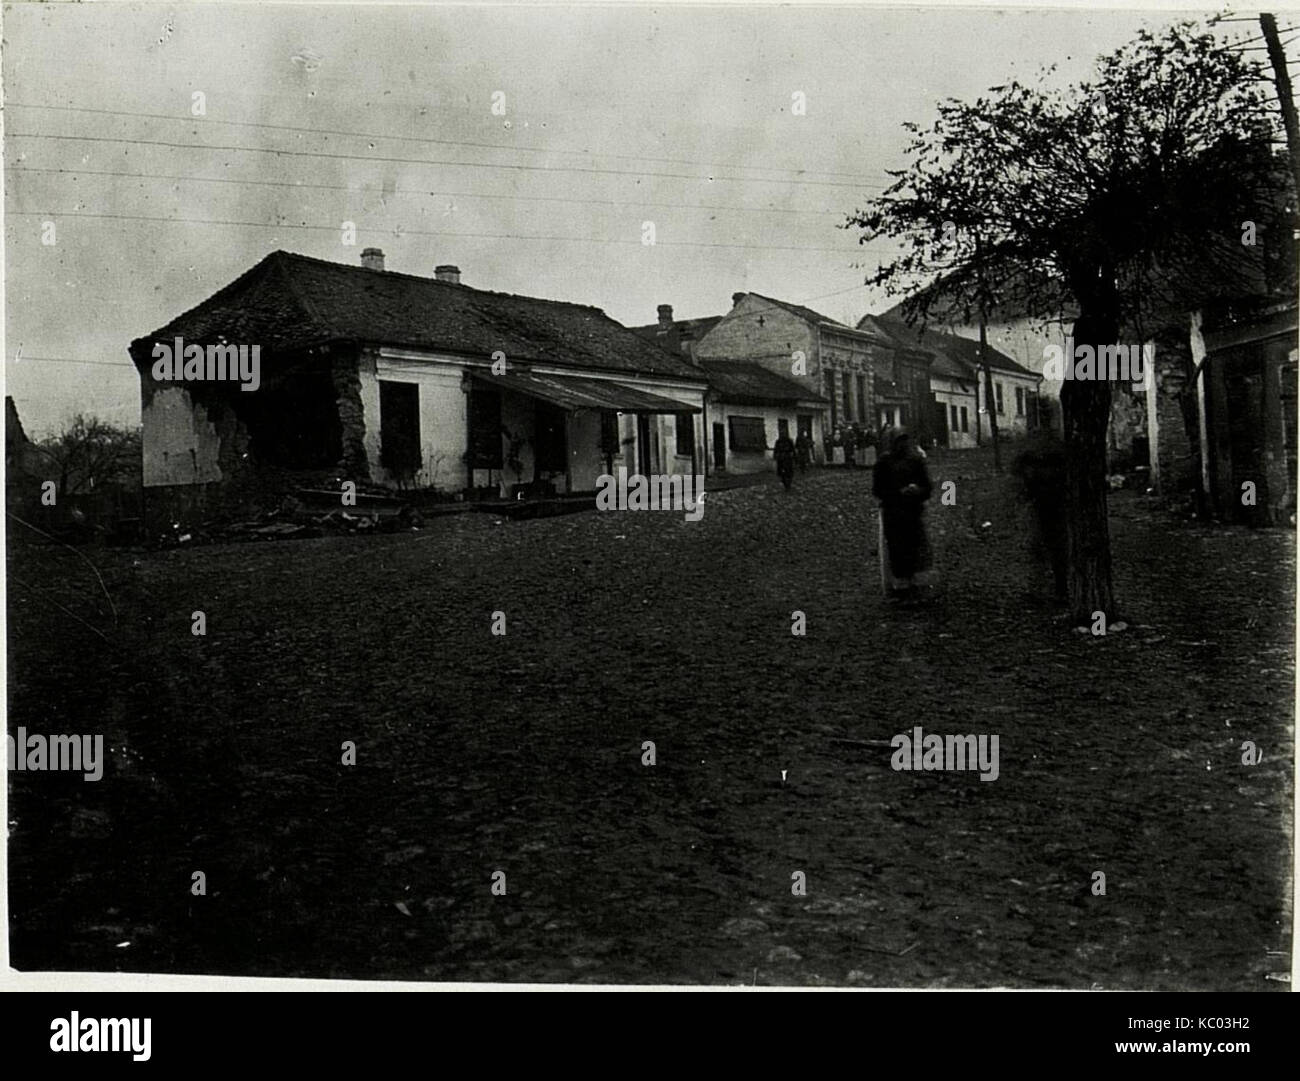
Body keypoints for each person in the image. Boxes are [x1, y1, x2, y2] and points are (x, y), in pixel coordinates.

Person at [872, 427, 933, 597]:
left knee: (914, 546)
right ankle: (899, 584)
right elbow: (877, 490)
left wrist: (917, 491)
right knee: (896, 548)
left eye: (904, 441)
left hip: (912, 512)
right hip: (893, 513)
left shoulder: (915, 461)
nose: (902, 445)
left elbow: (927, 486)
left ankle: (914, 581)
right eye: (898, 441)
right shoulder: (883, 463)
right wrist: (898, 492)